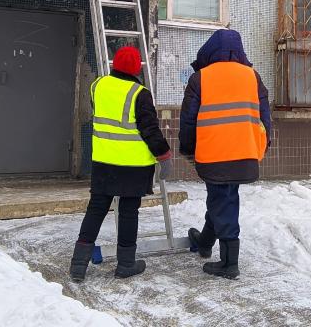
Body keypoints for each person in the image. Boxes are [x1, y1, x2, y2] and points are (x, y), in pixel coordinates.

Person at [69, 46, 172, 281]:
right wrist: (164, 157)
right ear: (137, 68)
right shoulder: (140, 93)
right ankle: (126, 265)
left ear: (115, 64)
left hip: (104, 162)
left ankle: (78, 266)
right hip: (133, 167)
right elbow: (150, 131)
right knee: (128, 212)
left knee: (96, 209)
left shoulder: (98, 86)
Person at [179, 29, 271, 279]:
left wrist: (187, 149)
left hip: (214, 154)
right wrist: (264, 144)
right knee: (223, 197)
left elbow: (188, 119)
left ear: (209, 50)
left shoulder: (200, 78)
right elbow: (265, 116)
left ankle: (229, 263)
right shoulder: (253, 76)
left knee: (222, 199)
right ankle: (205, 242)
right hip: (245, 151)